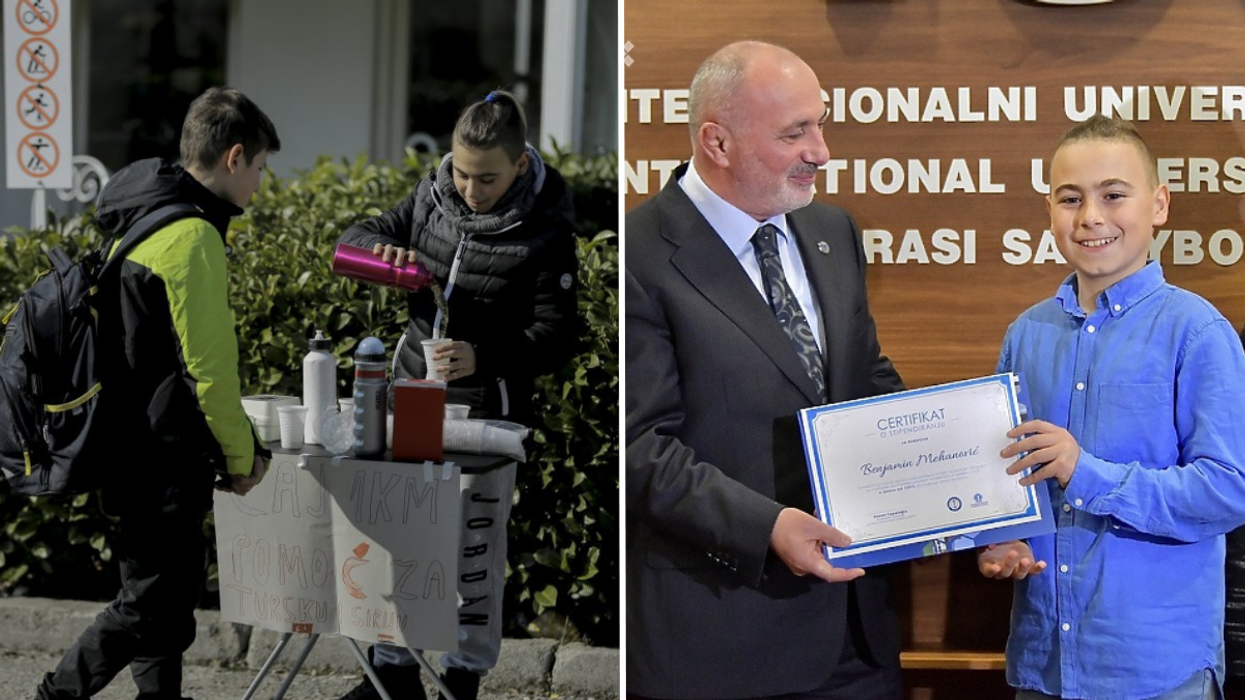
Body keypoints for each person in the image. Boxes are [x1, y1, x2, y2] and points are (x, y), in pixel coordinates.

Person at [625, 41, 905, 700]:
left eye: (820, 123)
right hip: (722, 647)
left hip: (857, 643)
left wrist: (972, 492)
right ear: (716, 143)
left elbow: (864, 381)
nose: (821, 151)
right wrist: (767, 528)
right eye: (794, 132)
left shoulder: (831, 230)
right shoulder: (639, 255)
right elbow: (637, 448)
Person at [979, 115, 1245, 700]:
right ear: (1049, 210)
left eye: (1113, 195)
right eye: (1069, 198)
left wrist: (1085, 472)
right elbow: (1006, 482)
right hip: (1045, 664)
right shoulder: (1026, 335)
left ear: (1159, 205)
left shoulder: (1197, 332)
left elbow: (1229, 491)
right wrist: (1006, 540)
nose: (1091, 217)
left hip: (1155, 671)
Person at [335, 90, 580, 700]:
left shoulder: (547, 229)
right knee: (402, 532)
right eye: (461, 171)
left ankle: (462, 677)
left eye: (487, 178)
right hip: (411, 393)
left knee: (473, 551)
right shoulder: (432, 191)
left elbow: (559, 336)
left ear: (521, 164)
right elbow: (357, 236)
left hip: (487, 414)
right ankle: (392, 670)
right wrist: (380, 250)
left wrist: (483, 357)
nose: (469, 188)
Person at [34, 87, 276, 699]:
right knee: (149, 602)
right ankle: (54, 695)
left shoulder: (145, 218)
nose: (259, 186)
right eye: (260, 170)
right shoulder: (193, 237)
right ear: (234, 157)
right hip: (161, 454)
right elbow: (210, 371)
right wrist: (242, 457)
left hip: (127, 444)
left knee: (164, 595)